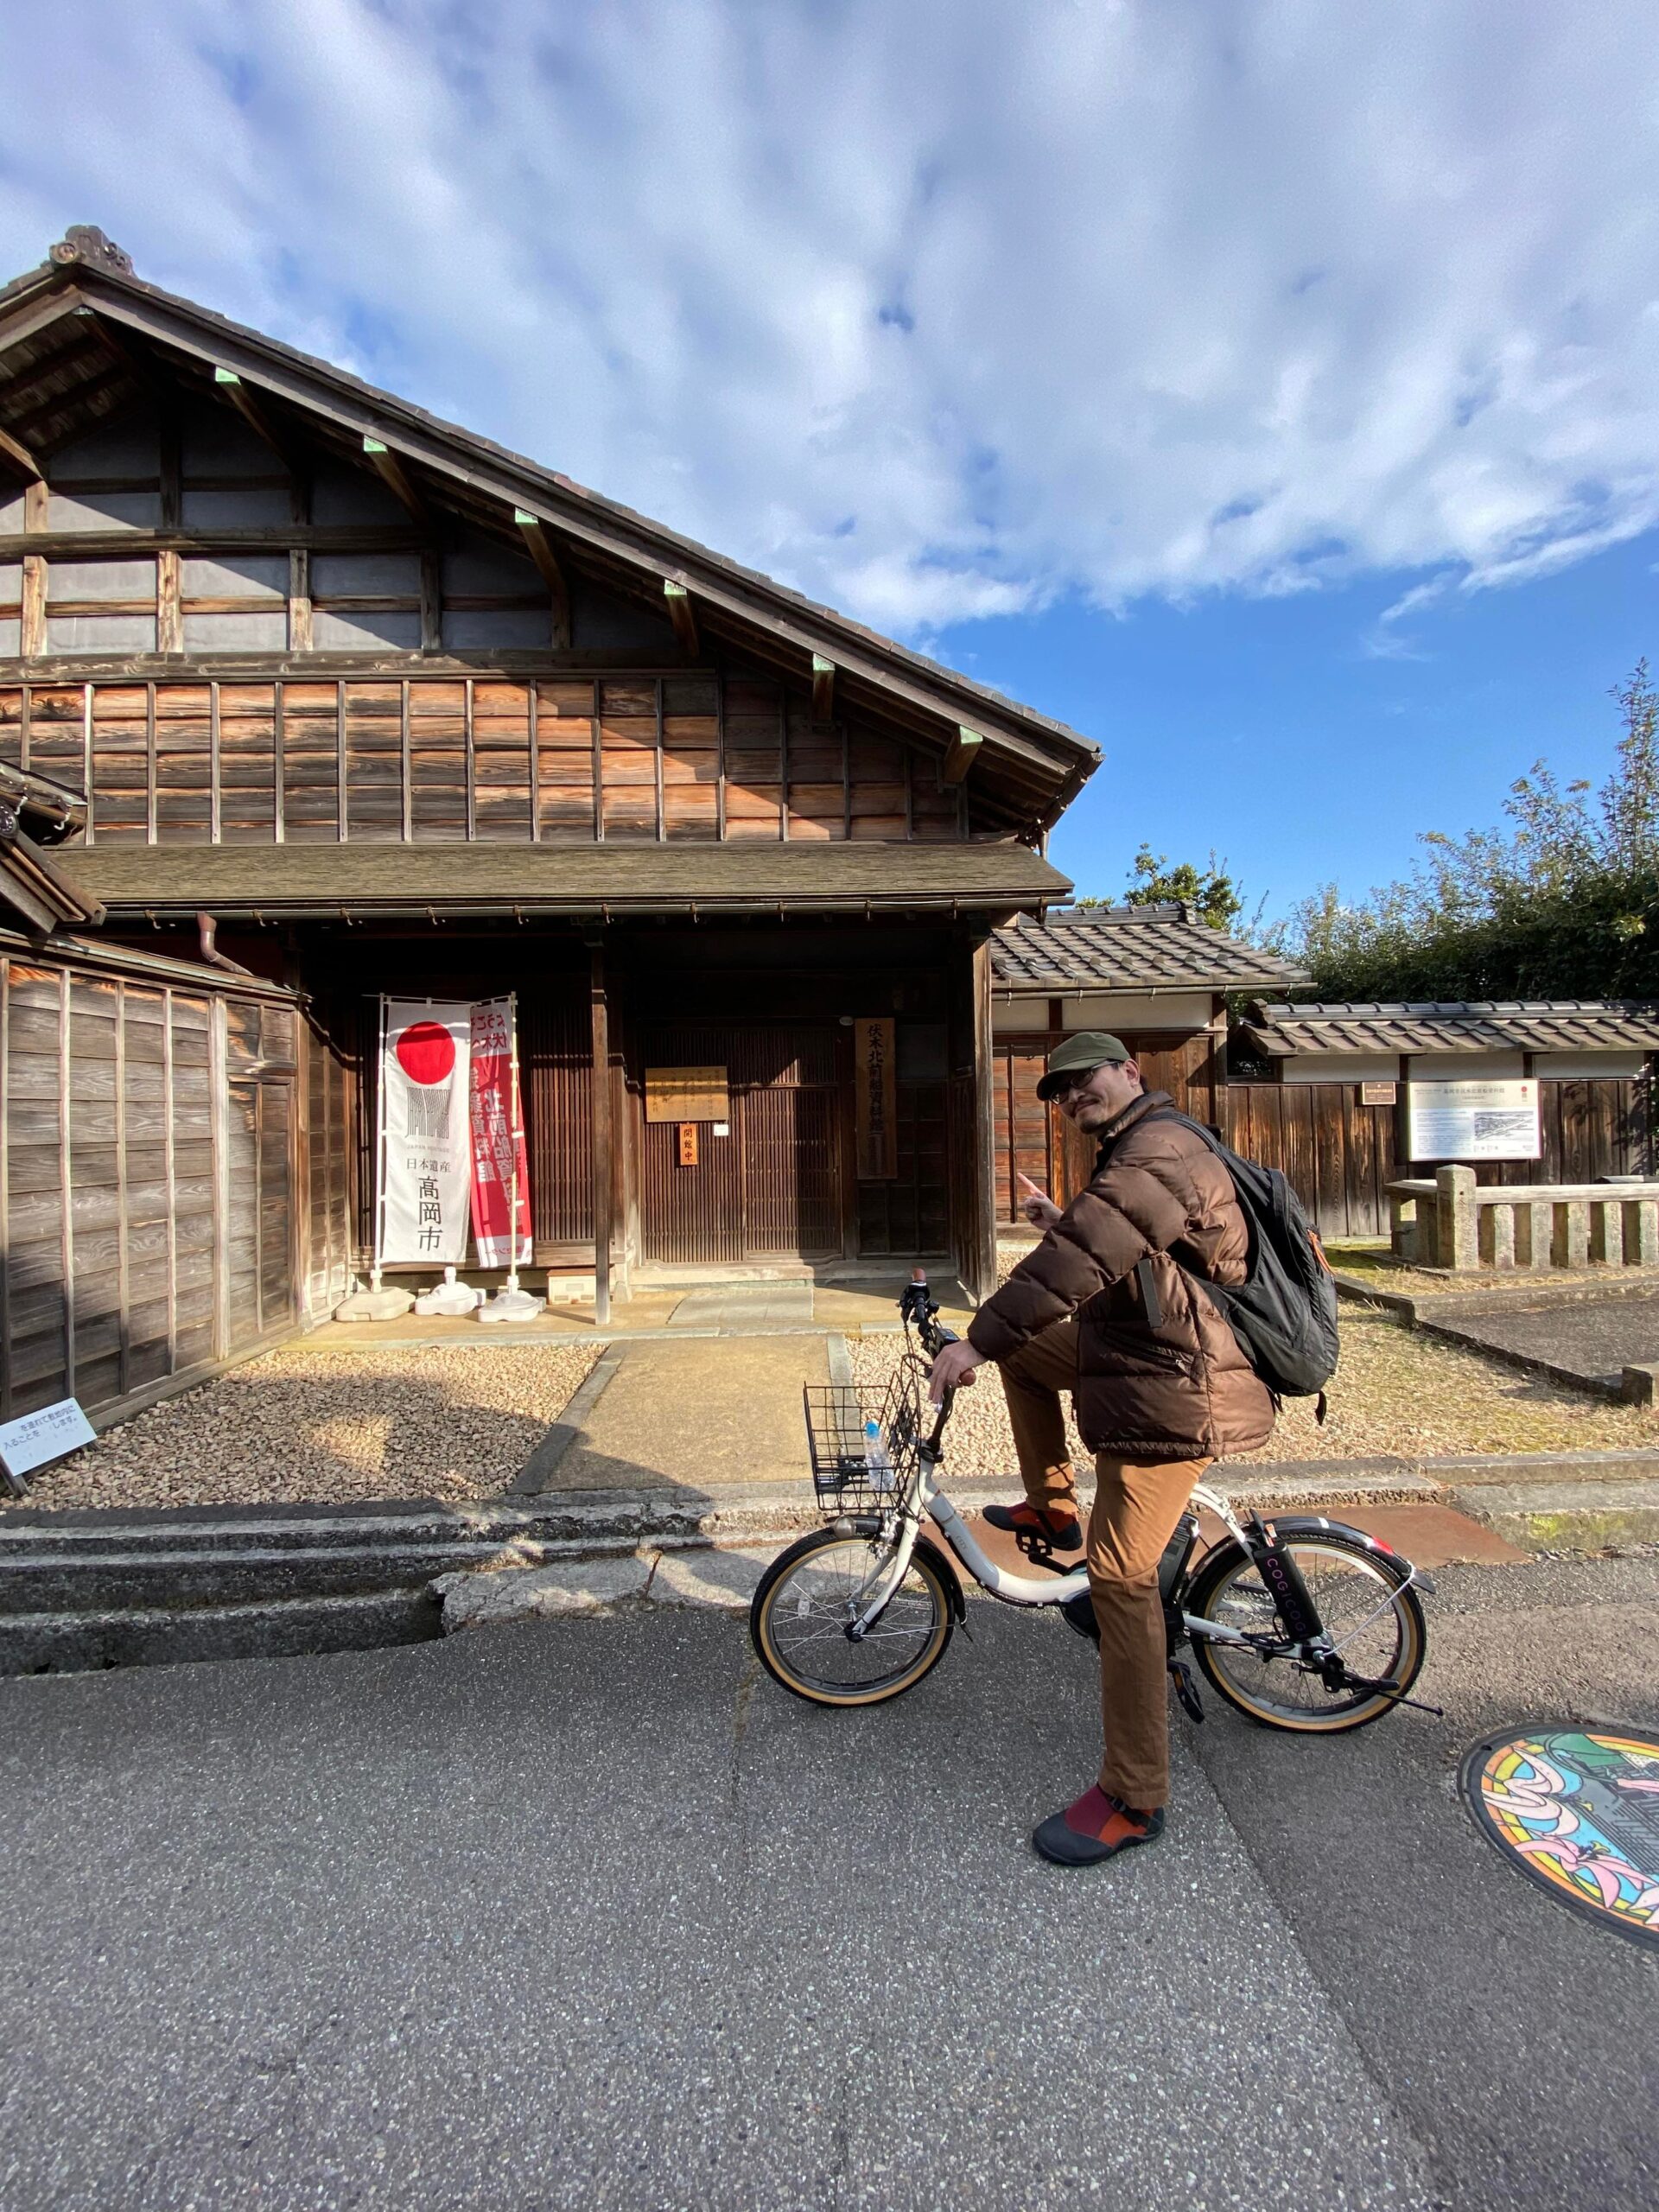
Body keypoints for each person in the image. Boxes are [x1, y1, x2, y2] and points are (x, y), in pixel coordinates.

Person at [927, 1032, 1275, 1868]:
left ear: (1131, 1072)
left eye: (1087, 1079)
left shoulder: (1157, 1148)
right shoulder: (1140, 1145)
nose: (1075, 1096)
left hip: (1177, 1387)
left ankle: (1134, 1793)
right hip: (1145, 1355)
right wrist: (1061, 1223)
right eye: (1063, 1090)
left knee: (1120, 1579)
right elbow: (1118, 1248)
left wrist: (974, 1339)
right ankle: (1053, 1503)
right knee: (1026, 1356)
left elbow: (1081, 1258)